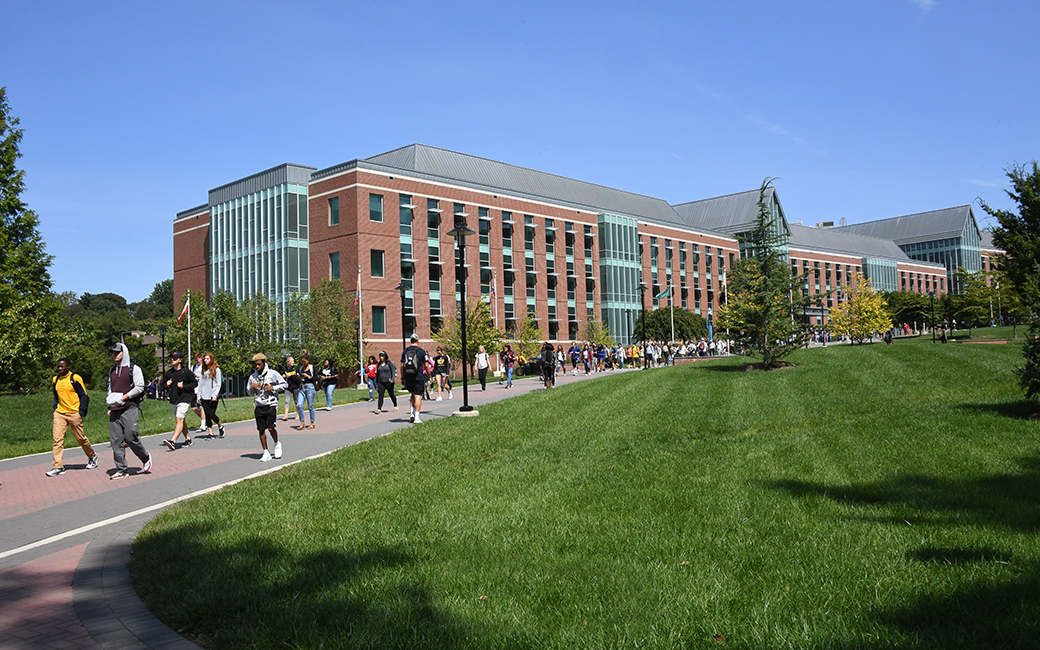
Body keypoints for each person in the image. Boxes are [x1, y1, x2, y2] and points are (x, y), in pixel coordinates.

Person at [47, 357, 100, 477]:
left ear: (68, 366)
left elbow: (83, 395)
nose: (60, 368)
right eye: (58, 366)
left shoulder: (75, 378)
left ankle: (92, 456)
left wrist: (81, 412)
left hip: (74, 413)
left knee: (80, 438)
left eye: (62, 366)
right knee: (57, 440)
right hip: (60, 413)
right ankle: (58, 466)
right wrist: (55, 408)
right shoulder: (55, 380)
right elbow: (56, 396)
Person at [106, 343, 152, 480]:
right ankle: (122, 469)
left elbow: (139, 387)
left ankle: (145, 457)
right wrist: (110, 403)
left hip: (130, 407)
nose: (115, 355)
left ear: (124, 353)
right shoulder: (112, 371)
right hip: (115, 409)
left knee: (130, 436)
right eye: (113, 352)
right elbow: (110, 388)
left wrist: (125, 397)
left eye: (117, 352)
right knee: (116, 440)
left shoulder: (134, 369)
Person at [247, 353, 287, 462]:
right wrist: (252, 387)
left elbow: (284, 384)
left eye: (259, 364)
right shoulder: (252, 377)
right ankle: (265, 452)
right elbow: (249, 393)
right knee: (261, 430)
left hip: (271, 404)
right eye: (255, 365)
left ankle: (276, 443)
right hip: (259, 405)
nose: (257, 367)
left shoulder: (273, 374)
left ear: (263, 363)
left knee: (270, 427)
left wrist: (273, 387)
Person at [161, 351, 198, 450]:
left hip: (184, 399)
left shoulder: (186, 372)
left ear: (180, 360)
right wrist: (167, 384)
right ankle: (188, 439)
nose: (172, 359)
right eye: (172, 358)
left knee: (179, 419)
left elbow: (194, 383)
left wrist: (184, 386)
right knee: (181, 420)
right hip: (174, 399)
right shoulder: (169, 372)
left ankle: (173, 441)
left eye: (175, 358)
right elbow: (162, 385)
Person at [400, 334, 429, 423]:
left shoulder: (405, 351)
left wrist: (402, 377)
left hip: (408, 376)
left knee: (412, 394)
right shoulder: (422, 352)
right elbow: (427, 365)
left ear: (410, 340)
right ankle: (416, 417)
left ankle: (412, 413)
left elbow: (401, 366)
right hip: (418, 376)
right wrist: (429, 375)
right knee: (418, 396)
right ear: (417, 340)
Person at [197, 352, 225, 438]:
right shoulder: (203, 370)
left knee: (211, 413)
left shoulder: (216, 370)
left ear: (211, 359)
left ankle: (220, 426)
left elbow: (218, 384)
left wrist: (215, 394)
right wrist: (199, 396)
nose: (205, 360)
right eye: (204, 359)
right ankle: (210, 432)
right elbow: (201, 384)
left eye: (207, 358)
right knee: (207, 414)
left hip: (212, 396)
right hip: (204, 396)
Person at [295, 354, 317, 429]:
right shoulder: (300, 368)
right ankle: (302, 422)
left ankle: (312, 422)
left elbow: (316, 378)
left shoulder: (312, 368)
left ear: (308, 360)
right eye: (302, 362)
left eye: (304, 362)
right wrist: (299, 377)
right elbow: (296, 377)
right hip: (302, 387)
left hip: (310, 387)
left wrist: (308, 376)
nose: (303, 363)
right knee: (299, 405)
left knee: (310, 406)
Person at [189, 352, 205, 433]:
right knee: (194, 408)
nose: (197, 361)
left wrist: (200, 376)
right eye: (195, 360)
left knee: (201, 407)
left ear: (201, 358)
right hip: (195, 390)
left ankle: (203, 424)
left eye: (198, 359)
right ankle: (205, 417)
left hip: (202, 390)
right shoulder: (193, 367)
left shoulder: (204, 367)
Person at [281, 356, 300, 421]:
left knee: (296, 401)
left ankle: (298, 414)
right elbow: (282, 376)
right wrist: (283, 376)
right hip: (288, 387)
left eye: (293, 361)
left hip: (295, 386)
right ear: (288, 362)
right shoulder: (285, 370)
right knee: (287, 401)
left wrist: (291, 376)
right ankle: (286, 416)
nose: (293, 362)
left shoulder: (296, 369)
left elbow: (298, 378)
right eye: (291, 361)